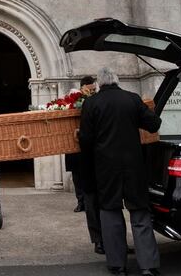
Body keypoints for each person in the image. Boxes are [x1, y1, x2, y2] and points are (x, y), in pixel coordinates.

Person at [80, 67, 162, 276]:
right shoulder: (132, 99)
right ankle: (149, 266)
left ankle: (117, 266)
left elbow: (86, 140)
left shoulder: (91, 103)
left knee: (110, 213)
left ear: (100, 84)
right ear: (117, 81)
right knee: (140, 213)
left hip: (106, 168)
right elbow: (154, 125)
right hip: (134, 165)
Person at [68, 76, 105, 254]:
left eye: (93, 88)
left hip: (100, 160)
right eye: (88, 89)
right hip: (89, 161)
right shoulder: (81, 102)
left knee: (106, 204)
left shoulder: (95, 103)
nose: (91, 91)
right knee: (93, 202)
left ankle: (108, 240)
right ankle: (99, 240)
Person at [65, 76, 97, 213]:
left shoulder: (96, 100)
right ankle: (81, 202)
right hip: (74, 144)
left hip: (88, 144)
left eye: (94, 89)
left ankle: (90, 202)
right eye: (91, 89)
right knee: (77, 176)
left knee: (90, 174)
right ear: (83, 87)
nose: (93, 91)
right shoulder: (74, 98)